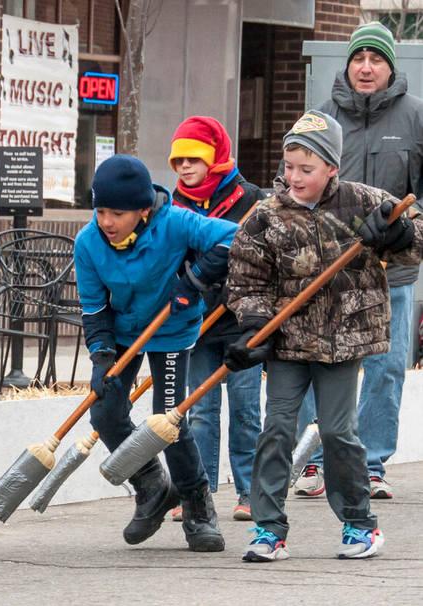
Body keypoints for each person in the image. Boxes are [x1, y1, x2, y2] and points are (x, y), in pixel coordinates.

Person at [226, 110, 423, 562]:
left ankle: (359, 524)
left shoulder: (363, 201)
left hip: (344, 341)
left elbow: (418, 232)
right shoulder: (265, 217)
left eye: (306, 169)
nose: (293, 177)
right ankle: (268, 528)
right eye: (288, 167)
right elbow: (246, 279)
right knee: (276, 427)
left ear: (332, 168)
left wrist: (396, 233)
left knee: (337, 432)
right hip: (287, 341)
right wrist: (256, 326)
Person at [75, 154, 238, 552]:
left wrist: (195, 279)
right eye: (100, 211)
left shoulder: (176, 223)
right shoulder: (88, 243)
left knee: (168, 418)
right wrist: (100, 356)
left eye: (117, 213)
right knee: (106, 412)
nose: (106, 222)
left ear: (144, 210)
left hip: (171, 328)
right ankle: (151, 485)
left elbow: (234, 236)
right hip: (122, 333)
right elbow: (94, 307)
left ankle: (198, 506)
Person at [293, 21, 423, 500]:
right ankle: (312, 461)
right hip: (332, 271)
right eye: (359, 59)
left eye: (377, 60)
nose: (366, 68)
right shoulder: (319, 118)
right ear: (347, 65)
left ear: (391, 66)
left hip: (394, 270)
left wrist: (406, 226)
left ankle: (370, 464)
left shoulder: (417, 118)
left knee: (387, 368)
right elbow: (296, 190)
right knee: (318, 361)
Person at [168, 116, 266, 522]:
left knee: (245, 410)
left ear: (215, 159)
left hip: (241, 320)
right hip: (199, 322)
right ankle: (199, 493)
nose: (185, 168)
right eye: (178, 161)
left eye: (193, 159)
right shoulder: (175, 207)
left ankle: (249, 493)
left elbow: (262, 259)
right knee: (202, 411)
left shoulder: (253, 200)